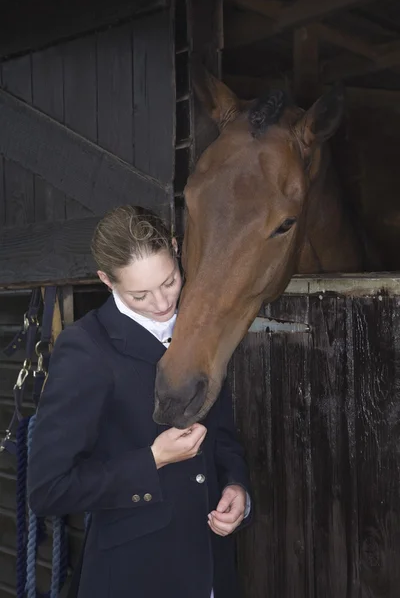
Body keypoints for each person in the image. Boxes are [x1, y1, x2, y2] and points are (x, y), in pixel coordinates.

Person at [27, 205, 252, 598]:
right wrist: (152, 460)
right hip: (134, 577)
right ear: (105, 280)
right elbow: (49, 490)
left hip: (215, 573)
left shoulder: (202, 326)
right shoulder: (85, 348)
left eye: (170, 281)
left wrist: (238, 489)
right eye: (140, 294)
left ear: (177, 249)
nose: (163, 303)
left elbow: (223, 434)